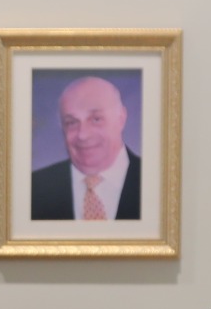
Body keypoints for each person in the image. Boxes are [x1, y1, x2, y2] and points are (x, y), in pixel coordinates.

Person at [29, 74, 141, 221]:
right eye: (71, 122)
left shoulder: (158, 183)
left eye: (96, 119)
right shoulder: (34, 188)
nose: (83, 135)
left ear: (121, 118)